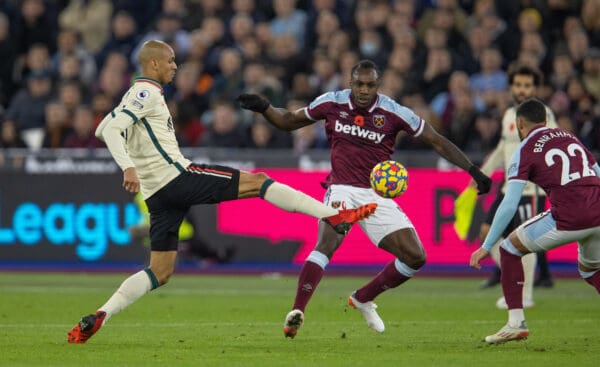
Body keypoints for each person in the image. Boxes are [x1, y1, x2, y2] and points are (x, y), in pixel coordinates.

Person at [66, 40, 377, 344]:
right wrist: (128, 167)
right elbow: (109, 131)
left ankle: (101, 314)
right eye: (171, 60)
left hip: (156, 195)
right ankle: (335, 215)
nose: (176, 65)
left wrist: (130, 158)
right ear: (154, 63)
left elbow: (101, 127)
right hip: (177, 177)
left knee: (160, 271)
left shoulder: (133, 96)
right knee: (259, 182)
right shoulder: (145, 91)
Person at [237, 59, 492, 338]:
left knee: (415, 257)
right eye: (359, 83)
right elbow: (288, 121)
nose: (364, 90)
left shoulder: (393, 112)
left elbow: (436, 140)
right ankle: (297, 311)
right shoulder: (331, 102)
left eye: (370, 85)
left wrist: (473, 170)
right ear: (350, 83)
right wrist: (265, 107)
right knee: (327, 243)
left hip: (377, 195)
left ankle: (363, 298)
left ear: (378, 86)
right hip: (342, 189)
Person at [470, 97, 600, 344]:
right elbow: (597, 173)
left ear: (519, 124)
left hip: (569, 217)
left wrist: (486, 246)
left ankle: (515, 322)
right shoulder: (570, 136)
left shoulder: (525, 149)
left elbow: (509, 203)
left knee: (508, 248)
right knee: (591, 270)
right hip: (598, 211)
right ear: (545, 120)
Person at [473, 65, 556, 311]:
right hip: (510, 186)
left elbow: (552, 147)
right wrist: (481, 173)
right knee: (488, 233)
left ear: (535, 88)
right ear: (511, 87)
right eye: (518, 85)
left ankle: (525, 295)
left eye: (527, 85)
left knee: (526, 240)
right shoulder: (510, 115)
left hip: (530, 189)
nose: (522, 90)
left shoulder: (545, 115)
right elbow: (502, 150)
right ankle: (516, 281)